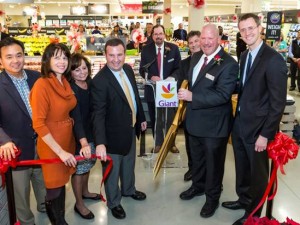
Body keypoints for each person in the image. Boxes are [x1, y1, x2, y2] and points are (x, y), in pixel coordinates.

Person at [221, 13, 287, 225]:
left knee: (258, 175)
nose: (247, 33)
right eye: (243, 30)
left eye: (251, 28)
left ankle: (254, 214)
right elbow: (245, 88)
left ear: (260, 28)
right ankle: (244, 199)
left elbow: (277, 104)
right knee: (242, 167)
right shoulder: (244, 56)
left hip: (259, 129)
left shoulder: (273, 59)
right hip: (240, 123)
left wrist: (265, 135)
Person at [177, 24, 238, 218]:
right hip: (194, 122)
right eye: (203, 38)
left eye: (210, 38)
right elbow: (189, 81)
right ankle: (198, 187)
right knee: (197, 160)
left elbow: (222, 95)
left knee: (214, 165)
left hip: (215, 126)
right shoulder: (196, 57)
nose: (206, 42)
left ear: (219, 38)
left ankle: (212, 199)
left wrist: (192, 96)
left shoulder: (228, 63)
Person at [91, 38, 147, 220]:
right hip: (111, 135)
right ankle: (114, 202)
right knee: (112, 172)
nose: (116, 59)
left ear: (125, 54)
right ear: (105, 55)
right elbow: (97, 114)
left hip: (130, 128)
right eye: (111, 55)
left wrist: (141, 119)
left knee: (129, 163)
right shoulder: (100, 81)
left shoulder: (128, 70)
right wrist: (100, 143)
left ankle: (129, 189)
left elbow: (134, 97)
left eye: (119, 55)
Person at [30, 43, 79, 225]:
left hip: (66, 141)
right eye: (56, 57)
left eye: (65, 57)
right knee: (54, 189)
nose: (61, 61)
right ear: (47, 60)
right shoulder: (42, 85)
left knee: (61, 184)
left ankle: (61, 219)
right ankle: (58, 221)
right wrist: (60, 152)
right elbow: (39, 124)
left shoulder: (64, 81)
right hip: (52, 146)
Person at [0, 37, 46, 225]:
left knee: (43, 183)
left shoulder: (37, 78)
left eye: (18, 55)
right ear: (1, 60)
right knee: (20, 193)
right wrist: (4, 141)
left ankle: (46, 206)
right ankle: (27, 222)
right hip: (16, 148)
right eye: (9, 57)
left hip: (43, 144)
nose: (15, 60)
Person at [139, 24, 181, 154]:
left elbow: (179, 68)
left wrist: (172, 78)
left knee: (170, 118)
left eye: (160, 33)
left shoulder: (173, 48)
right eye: (155, 34)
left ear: (164, 34)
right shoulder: (146, 50)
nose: (158, 36)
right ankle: (158, 143)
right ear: (152, 36)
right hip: (153, 89)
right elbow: (142, 69)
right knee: (156, 117)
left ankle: (171, 143)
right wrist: (152, 76)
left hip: (169, 89)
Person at [68, 53, 99, 220]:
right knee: (79, 169)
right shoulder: (71, 89)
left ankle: (85, 192)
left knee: (88, 163)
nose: (81, 72)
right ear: (70, 72)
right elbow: (76, 117)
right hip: (79, 135)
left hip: (91, 131)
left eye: (84, 68)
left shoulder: (89, 83)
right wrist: (83, 141)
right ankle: (79, 203)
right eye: (76, 69)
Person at [177, 30, 201, 182]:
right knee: (189, 141)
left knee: (204, 145)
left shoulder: (209, 61)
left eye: (196, 41)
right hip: (188, 109)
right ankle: (192, 168)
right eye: (190, 43)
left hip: (204, 108)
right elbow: (181, 82)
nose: (193, 45)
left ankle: (203, 172)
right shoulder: (184, 63)